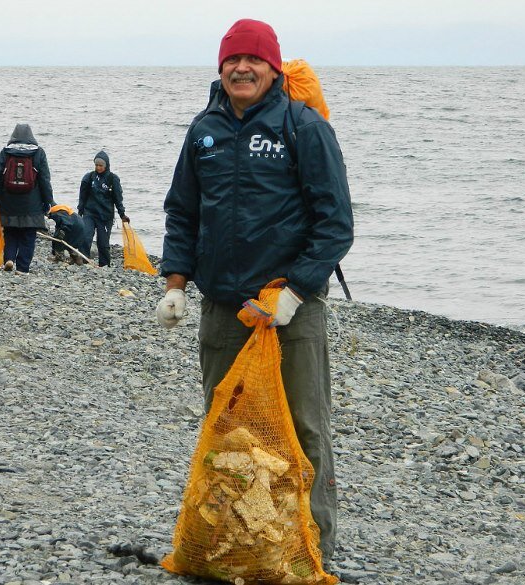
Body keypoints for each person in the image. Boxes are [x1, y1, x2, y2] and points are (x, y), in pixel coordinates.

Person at [156, 19, 354, 566]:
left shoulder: (304, 126)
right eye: (232, 60)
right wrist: (175, 284)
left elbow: (334, 223)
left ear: (273, 67)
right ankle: (237, 546)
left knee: (302, 427)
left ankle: (310, 549)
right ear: (220, 68)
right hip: (223, 310)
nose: (242, 68)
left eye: (254, 60)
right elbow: (183, 212)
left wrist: (294, 291)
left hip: (289, 309)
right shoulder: (204, 130)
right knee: (228, 429)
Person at [0, 123, 55, 273]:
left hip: (8, 201)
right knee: (28, 236)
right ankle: (22, 268)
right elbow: (44, 180)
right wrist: (49, 202)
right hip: (32, 203)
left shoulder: (6, 152)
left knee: (10, 232)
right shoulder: (38, 153)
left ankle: (9, 259)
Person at [77, 150, 129, 267]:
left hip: (105, 216)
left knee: (103, 243)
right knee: (86, 237)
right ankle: (83, 261)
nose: (98, 168)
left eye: (101, 165)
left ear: (106, 165)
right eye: (96, 165)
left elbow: (118, 199)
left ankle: (104, 265)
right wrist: (80, 211)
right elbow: (82, 196)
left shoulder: (113, 179)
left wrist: (122, 214)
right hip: (89, 213)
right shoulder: (89, 177)